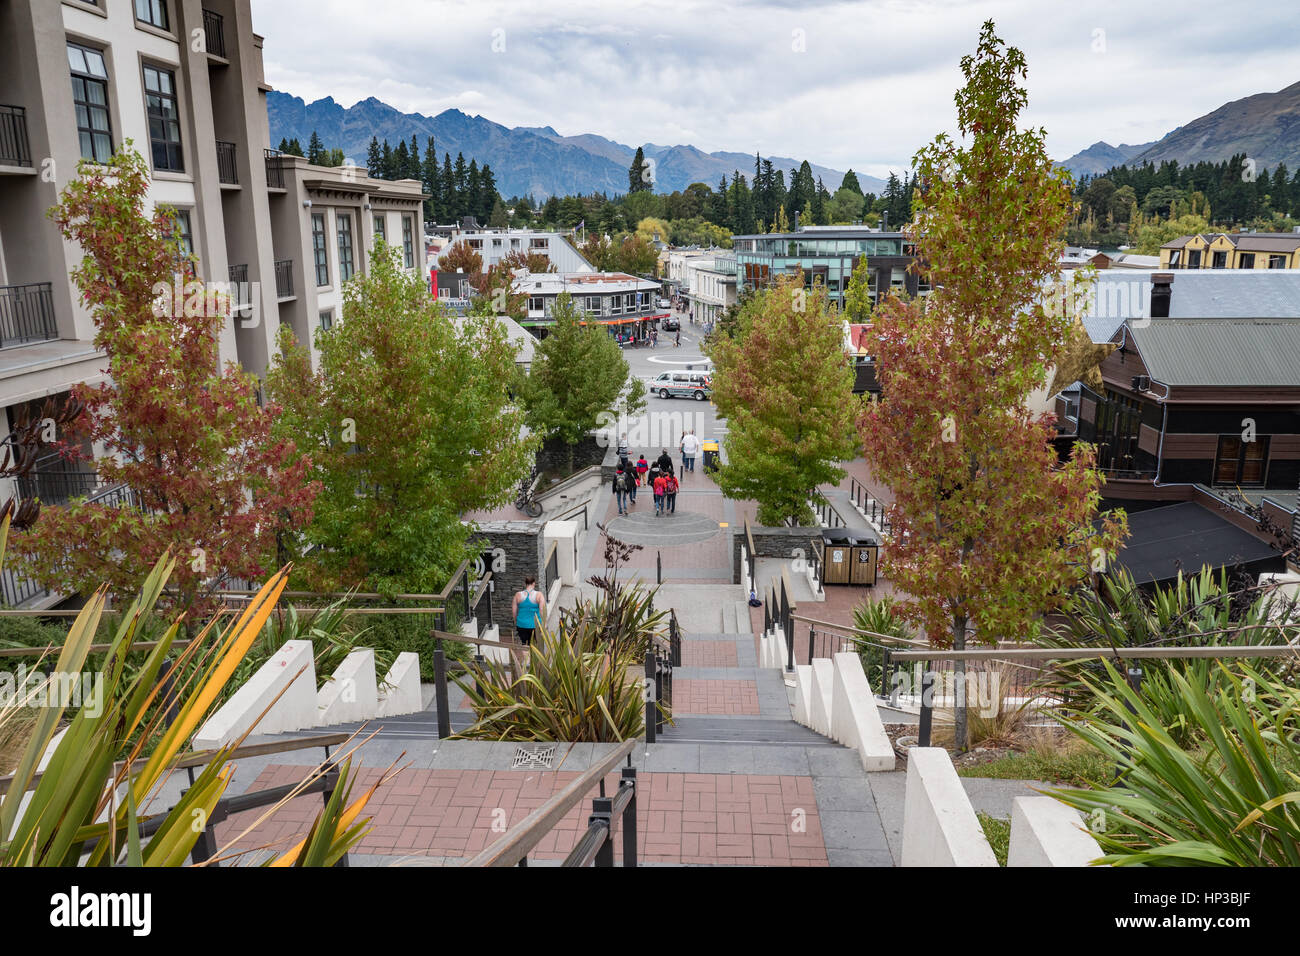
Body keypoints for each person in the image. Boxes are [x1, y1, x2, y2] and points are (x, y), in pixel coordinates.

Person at [513, 575, 545, 646]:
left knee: (524, 645)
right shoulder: (539, 595)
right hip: (535, 626)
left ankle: (525, 657)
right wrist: (543, 625)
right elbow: (542, 610)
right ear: (534, 583)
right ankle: (532, 657)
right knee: (534, 645)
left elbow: (514, 612)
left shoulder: (518, 595)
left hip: (521, 625)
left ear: (526, 584)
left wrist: (516, 621)